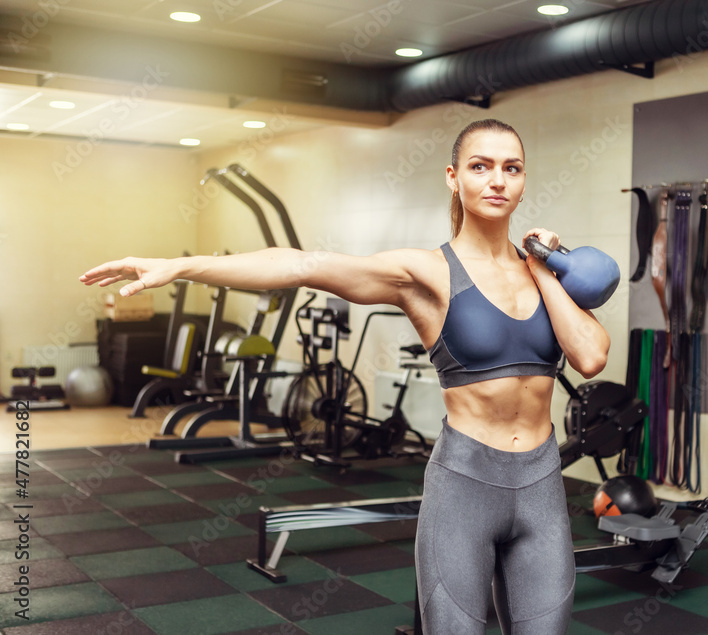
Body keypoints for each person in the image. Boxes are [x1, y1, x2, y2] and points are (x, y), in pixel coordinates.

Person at [80, 118, 610, 634]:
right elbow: (301, 265)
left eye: (511, 168)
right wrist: (181, 265)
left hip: (540, 484)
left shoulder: (547, 275)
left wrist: (543, 266)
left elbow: (590, 357)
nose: (497, 180)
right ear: (454, 177)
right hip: (465, 487)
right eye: (480, 166)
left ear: (523, 180)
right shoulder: (423, 273)